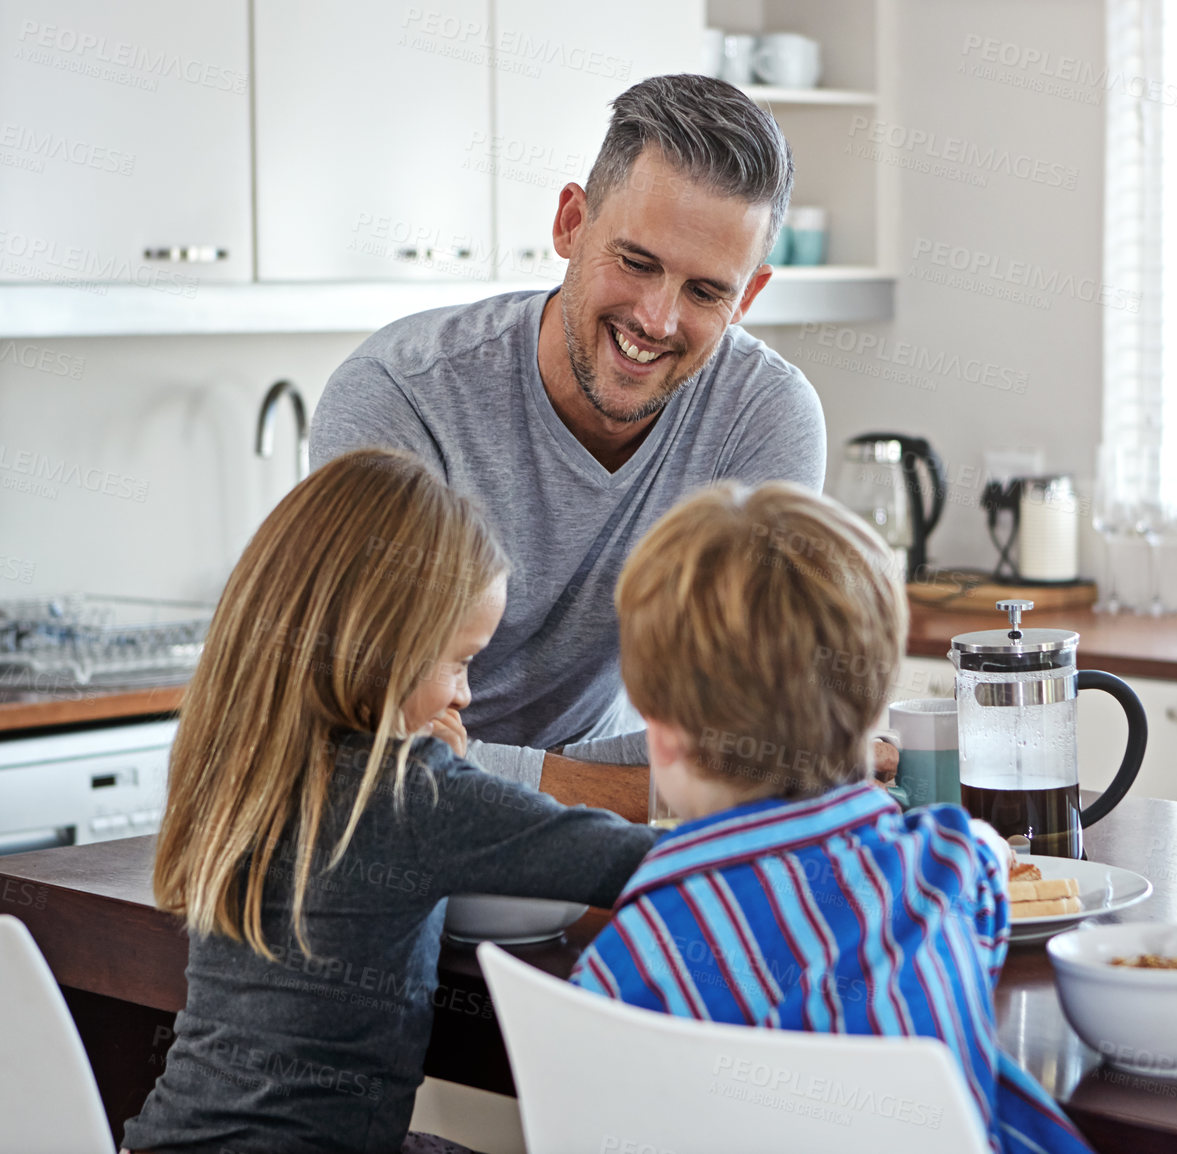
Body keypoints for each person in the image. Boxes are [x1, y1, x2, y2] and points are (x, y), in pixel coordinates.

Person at [122, 449, 656, 1154]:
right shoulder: (412, 789)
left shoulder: (237, 758)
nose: (465, 695)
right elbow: (632, 861)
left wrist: (453, 785)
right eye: (460, 661)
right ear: (379, 648)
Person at [309, 74, 824, 794]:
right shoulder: (399, 395)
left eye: (706, 291)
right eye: (636, 262)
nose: (656, 319)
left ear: (750, 296)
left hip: (599, 845)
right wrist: (645, 796)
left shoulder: (763, 415)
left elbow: (746, 736)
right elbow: (374, 749)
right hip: (384, 848)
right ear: (571, 223)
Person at [569, 482, 1096, 1154]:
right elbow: (989, 858)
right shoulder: (944, 867)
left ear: (661, 734)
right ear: (872, 704)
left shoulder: (629, 962)